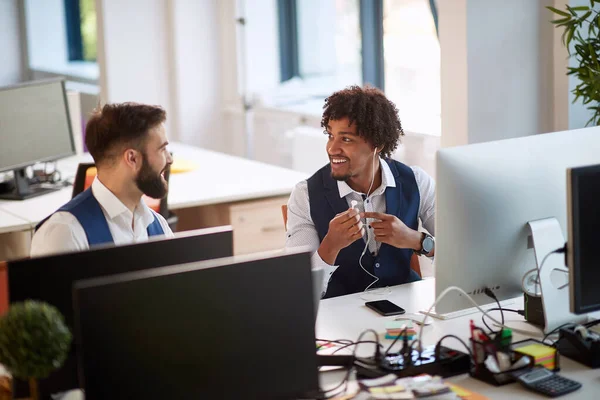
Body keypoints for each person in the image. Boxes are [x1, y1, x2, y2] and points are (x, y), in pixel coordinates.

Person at [285, 86, 435, 298]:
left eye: (346, 139)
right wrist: (330, 246)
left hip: (406, 316)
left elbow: (460, 252)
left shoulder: (417, 182)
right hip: (337, 322)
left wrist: (415, 240)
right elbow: (297, 289)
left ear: (378, 144)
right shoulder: (305, 195)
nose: (332, 148)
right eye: (330, 135)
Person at [30, 102, 174, 257]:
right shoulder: (64, 235)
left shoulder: (159, 226)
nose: (169, 159)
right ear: (132, 158)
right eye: (162, 149)